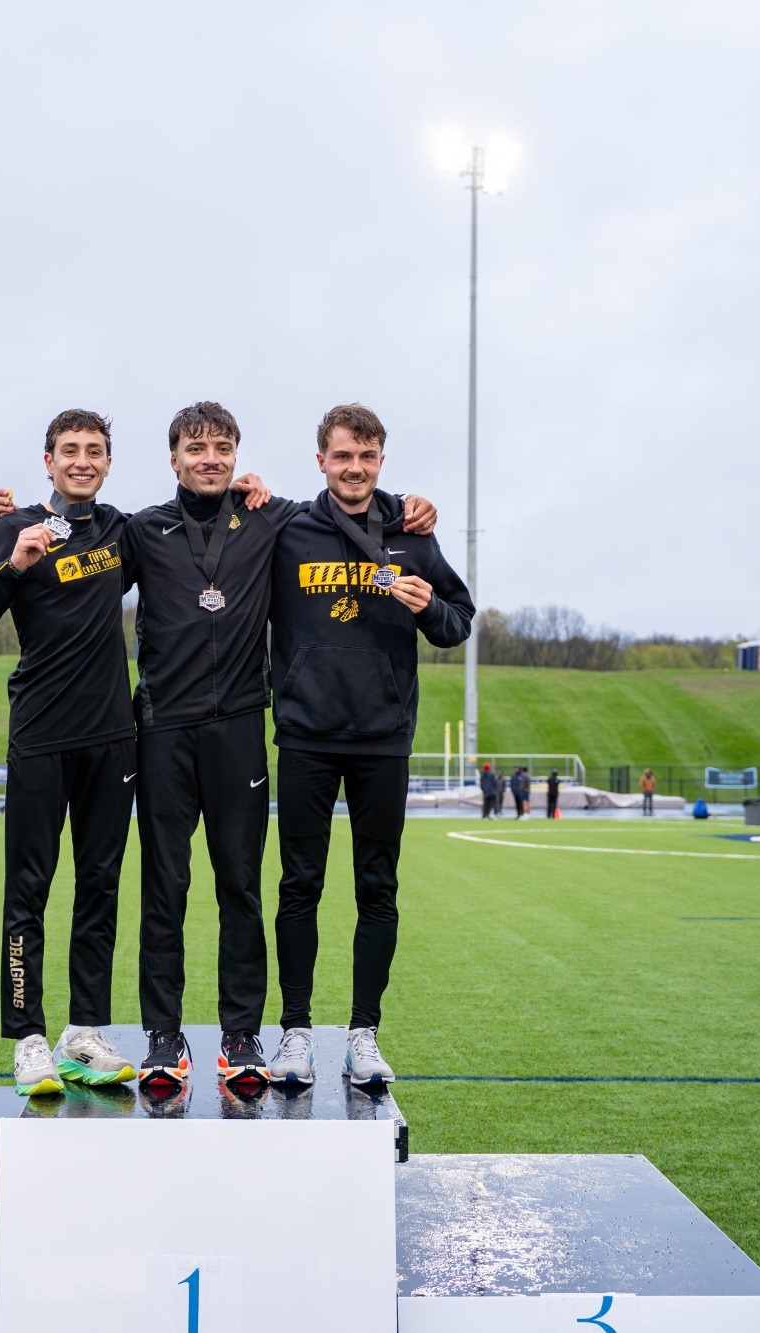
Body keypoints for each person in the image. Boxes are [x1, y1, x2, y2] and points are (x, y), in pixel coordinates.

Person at [0, 400, 439, 1091]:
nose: (210, 459)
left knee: (242, 891)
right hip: (162, 732)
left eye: (222, 449)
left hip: (239, 732)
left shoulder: (270, 516)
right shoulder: (141, 529)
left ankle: (240, 1036)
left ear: (236, 456)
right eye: (196, 449)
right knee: (163, 891)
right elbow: (77, 553)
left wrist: (410, 503)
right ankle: (164, 1037)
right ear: (173, 458)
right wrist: (21, 522)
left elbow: (348, 500)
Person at [265, 403, 474, 1089]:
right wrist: (250, 491)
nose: (354, 468)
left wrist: (425, 605)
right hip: (304, 735)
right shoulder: (289, 527)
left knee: (376, 889)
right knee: (300, 885)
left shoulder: (411, 531)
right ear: (321, 459)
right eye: (342, 456)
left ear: (381, 458)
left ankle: (363, 1034)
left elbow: (456, 624)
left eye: (367, 456)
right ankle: (295, 1031)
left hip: (383, 738)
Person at [0, 408, 141, 1096]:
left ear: (109, 462)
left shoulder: (123, 531)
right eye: (70, 450)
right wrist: (12, 563)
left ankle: (82, 1032)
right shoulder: (15, 527)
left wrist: (250, 492)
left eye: (94, 450)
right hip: (38, 735)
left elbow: (194, 534)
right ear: (49, 459)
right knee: (27, 891)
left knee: (99, 887)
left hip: (112, 739)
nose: (82, 460)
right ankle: (29, 1038)